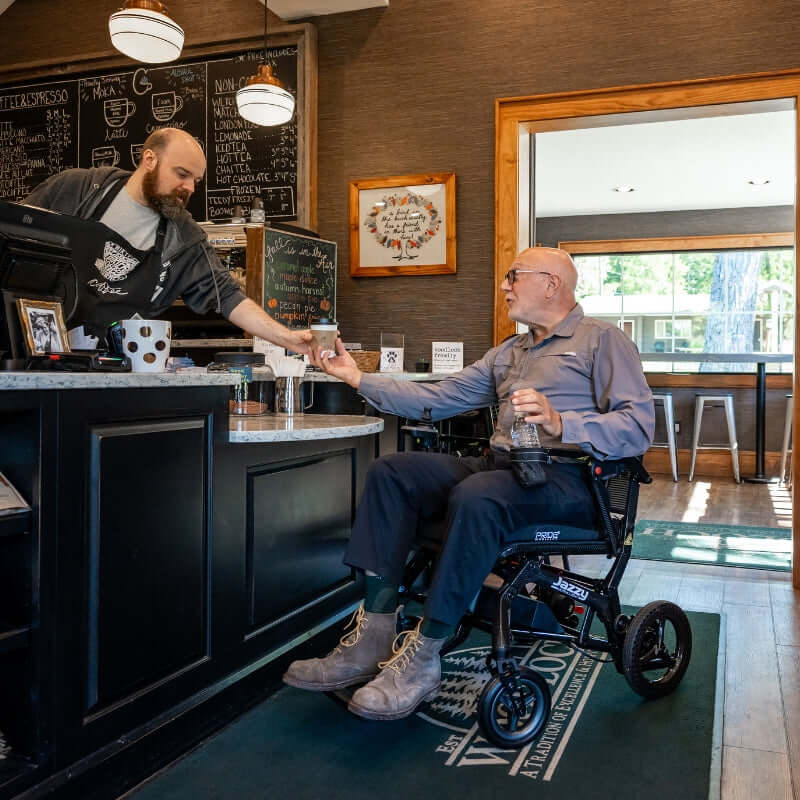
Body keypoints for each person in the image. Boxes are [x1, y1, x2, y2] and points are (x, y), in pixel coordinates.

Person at [283, 246, 654, 721]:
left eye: (513, 276)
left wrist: (564, 422)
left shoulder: (602, 340)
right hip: (505, 469)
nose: (504, 285)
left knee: (477, 495)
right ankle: (375, 634)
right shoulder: (509, 351)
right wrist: (358, 378)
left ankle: (423, 657)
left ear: (552, 283)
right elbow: (439, 397)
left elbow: (639, 427)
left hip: (573, 480)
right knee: (393, 471)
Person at [23, 127, 311, 353]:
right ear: (150, 159)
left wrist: (287, 338)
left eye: (195, 180)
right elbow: (14, 232)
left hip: (113, 365)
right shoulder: (79, 190)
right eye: (182, 174)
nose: (189, 188)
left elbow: (228, 296)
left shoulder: (184, 235)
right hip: (34, 347)